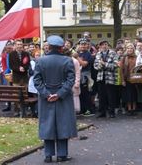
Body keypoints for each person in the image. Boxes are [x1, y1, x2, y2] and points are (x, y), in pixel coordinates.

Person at [33, 35, 77, 163]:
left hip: (46, 98)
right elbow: (71, 80)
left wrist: (47, 94)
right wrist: (60, 94)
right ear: (61, 48)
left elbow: (37, 81)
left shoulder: (40, 61)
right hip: (63, 97)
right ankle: (62, 154)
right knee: (63, 124)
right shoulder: (67, 61)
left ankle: (48, 154)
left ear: (50, 47)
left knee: (47, 124)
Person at [94, 40, 118, 118]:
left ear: (108, 45)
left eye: (106, 44)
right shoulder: (98, 54)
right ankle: (102, 112)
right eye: (102, 45)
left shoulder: (113, 53)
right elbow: (95, 66)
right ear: (100, 46)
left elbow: (115, 65)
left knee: (111, 96)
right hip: (101, 78)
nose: (104, 46)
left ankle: (112, 112)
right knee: (101, 96)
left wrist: (105, 64)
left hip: (110, 78)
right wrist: (100, 65)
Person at [9, 39, 31, 116]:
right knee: (16, 95)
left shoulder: (26, 54)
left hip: (24, 77)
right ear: (15, 45)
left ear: (22, 45)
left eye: (20, 44)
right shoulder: (11, 54)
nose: (19, 46)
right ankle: (16, 110)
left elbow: (28, 64)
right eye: (18, 44)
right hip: (16, 78)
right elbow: (11, 66)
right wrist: (18, 68)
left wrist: (24, 68)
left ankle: (24, 110)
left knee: (25, 94)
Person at [76, 39, 95, 116]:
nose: (83, 46)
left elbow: (84, 64)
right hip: (78, 75)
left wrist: (77, 58)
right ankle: (82, 110)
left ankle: (89, 110)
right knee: (80, 93)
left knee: (86, 93)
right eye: (81, 44)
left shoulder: (88, 54)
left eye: (84, 44)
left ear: (87, 45)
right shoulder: (78, 53)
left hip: (85, 76)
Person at [120, 43, 138, 115]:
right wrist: (122, 80)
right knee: (128, 94)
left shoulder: (136, 57)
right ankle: (129, 109)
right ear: (126, 49)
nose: (129, 49)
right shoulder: (124, 58)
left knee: (134, 94)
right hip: (127, 78)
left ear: (133, 49)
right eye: (128, 48)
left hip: (135, 78)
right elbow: (121, 70)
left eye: (131, 48)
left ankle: (134, 109)